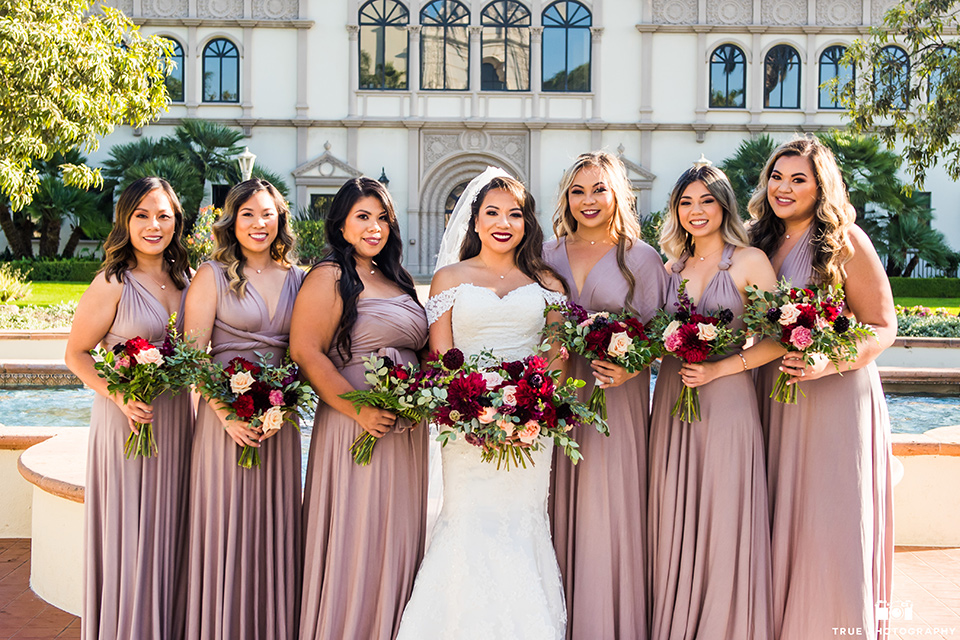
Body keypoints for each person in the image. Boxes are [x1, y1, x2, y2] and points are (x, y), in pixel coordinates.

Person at [395, 169, 568, 640]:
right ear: (473, 222)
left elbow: (556, 353)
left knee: (524, 521)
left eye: (515, 214)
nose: (503, 222)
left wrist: (529, 408)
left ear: (527, 223)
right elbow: (440, 356)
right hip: (467, 425)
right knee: (468, 520)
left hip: (531, 426)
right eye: (492, 212)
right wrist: (472, 412)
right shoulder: (450, 278)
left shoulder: (547, 281)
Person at [749, 137, 896, 640]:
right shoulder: (757, 240)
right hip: (772, 391)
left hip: (832, 396)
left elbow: (881, 325)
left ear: (820, 186)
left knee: (827, 516)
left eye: (798, 179)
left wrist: (825, 359)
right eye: (776, 177)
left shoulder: (844, 241)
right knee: (774, 510)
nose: (783, 188)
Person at [293, 177, 428, 640]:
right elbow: (307, 351)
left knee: (395, 535)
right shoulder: (330, 275)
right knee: (358, 535)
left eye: (382, 218)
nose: (375, 228)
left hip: (403, 429)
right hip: (356, 426)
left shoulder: (396, 278)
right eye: (363, 217)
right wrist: (359, 410)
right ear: (342, 224)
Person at [648, 163, 778, 640]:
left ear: (724, 204)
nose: (696, 211)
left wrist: (720, 368)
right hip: (672, 401)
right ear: (675, 210)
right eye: (686, 202)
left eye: (706, 200)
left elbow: (783, 339)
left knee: (723, 514)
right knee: (673, 514)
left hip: (726, 402)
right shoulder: (669, 269)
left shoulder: (749, 261)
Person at [542, 151, 665, 640]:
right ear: (566, 198)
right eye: (577, 190)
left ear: (618, 195)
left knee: (610, 509)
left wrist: (632, 367)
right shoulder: (545, 255)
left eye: (598, 189)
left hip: (617, 400)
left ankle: (610, 621)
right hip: (557, 396)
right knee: (552, 502)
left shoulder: (642, 257)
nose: (588, 200)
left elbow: (662, 336)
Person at [66, 176, 193, 639]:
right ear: (126, 220)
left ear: (176, 221)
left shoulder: (187, 280)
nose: (153, 225)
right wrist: (119, 394)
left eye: (163, 215)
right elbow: (75, 354)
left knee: (170, 533)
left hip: (177, 422)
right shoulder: (112, 281)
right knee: (131, 536)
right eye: (142, 215)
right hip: (126, 425)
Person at [183, 179, 304, 640]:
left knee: (274, 530)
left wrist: (286, 400)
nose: (259, 223)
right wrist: (226, 413)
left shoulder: (298, 277)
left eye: (268, 213)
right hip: (223, 422)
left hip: (280, 421)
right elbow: (192, 355)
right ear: (232, 220)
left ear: (281, 220)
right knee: (226, 528)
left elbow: (304, 351)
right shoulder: (211, 275)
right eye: (248, 214)